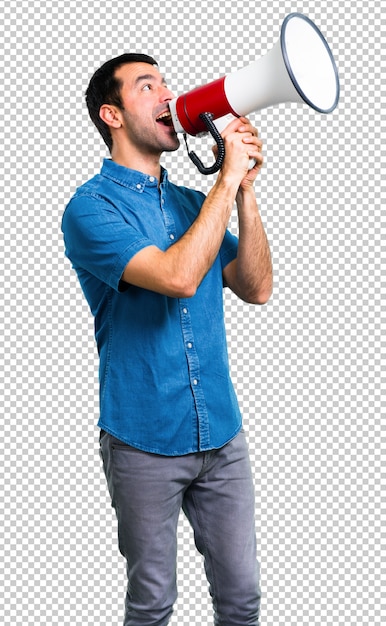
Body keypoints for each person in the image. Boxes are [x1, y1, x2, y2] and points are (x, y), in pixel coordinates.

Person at [61, 53, 273, 626]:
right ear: (111, 114)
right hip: (143, 440)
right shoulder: (89, 208)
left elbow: (256, 288)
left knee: (242, 598)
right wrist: (225, 179)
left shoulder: (189, 203)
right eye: (147, 85)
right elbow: (177, 277)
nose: (167, 97)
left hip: (221, 436)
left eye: (166, 83)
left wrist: (244, 190)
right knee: (152, 604)